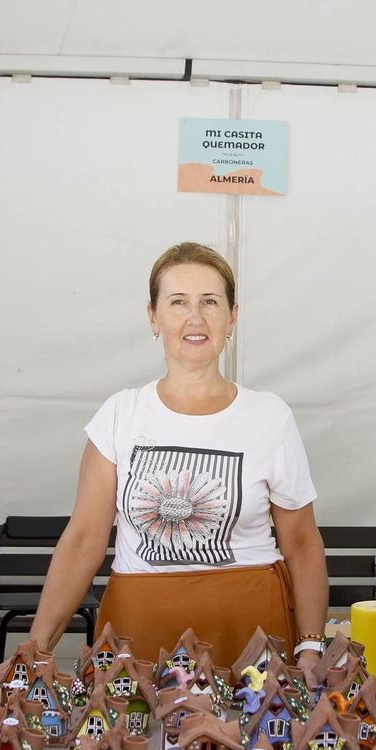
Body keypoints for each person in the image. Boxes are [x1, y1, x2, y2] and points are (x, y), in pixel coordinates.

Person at [27, 241, 329, 670]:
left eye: (210, 301)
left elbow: (301, 543)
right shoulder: (120, 414)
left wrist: (311, 647)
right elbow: (82, 542)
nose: (195, 317)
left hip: (251, 637)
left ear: (232, 317)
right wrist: (35, 650)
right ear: (153, 316)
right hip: (138, 635)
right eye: (178, 302)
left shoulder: (270, 416)